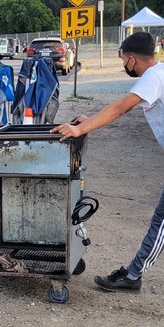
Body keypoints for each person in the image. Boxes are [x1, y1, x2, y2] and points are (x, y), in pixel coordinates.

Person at [51, 32, 164, 291]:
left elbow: (121, 107)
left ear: (132, 59)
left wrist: (81, 129)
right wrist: (89, 119)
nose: (125, 66)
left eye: (124, 61)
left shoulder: (152, 77)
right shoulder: (159, 74)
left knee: (161, 221)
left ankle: (133, 276)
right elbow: (120, 105)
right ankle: (133, 275)